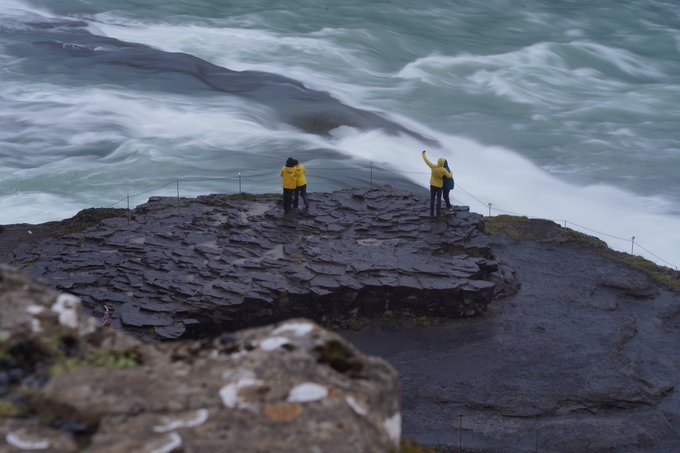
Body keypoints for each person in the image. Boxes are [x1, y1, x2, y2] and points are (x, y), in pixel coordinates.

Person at [421, 150, 453, 217]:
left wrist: (423, 154)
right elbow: (449, 176)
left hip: (432, 185)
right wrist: (451, 172)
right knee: (438, 200)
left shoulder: (433, 166)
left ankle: (431, 213)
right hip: (439, 186)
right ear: (443, 163)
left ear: (438, 162)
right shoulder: (443, 170)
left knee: (432, 199)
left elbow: (426, 161)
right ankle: (438, 213)